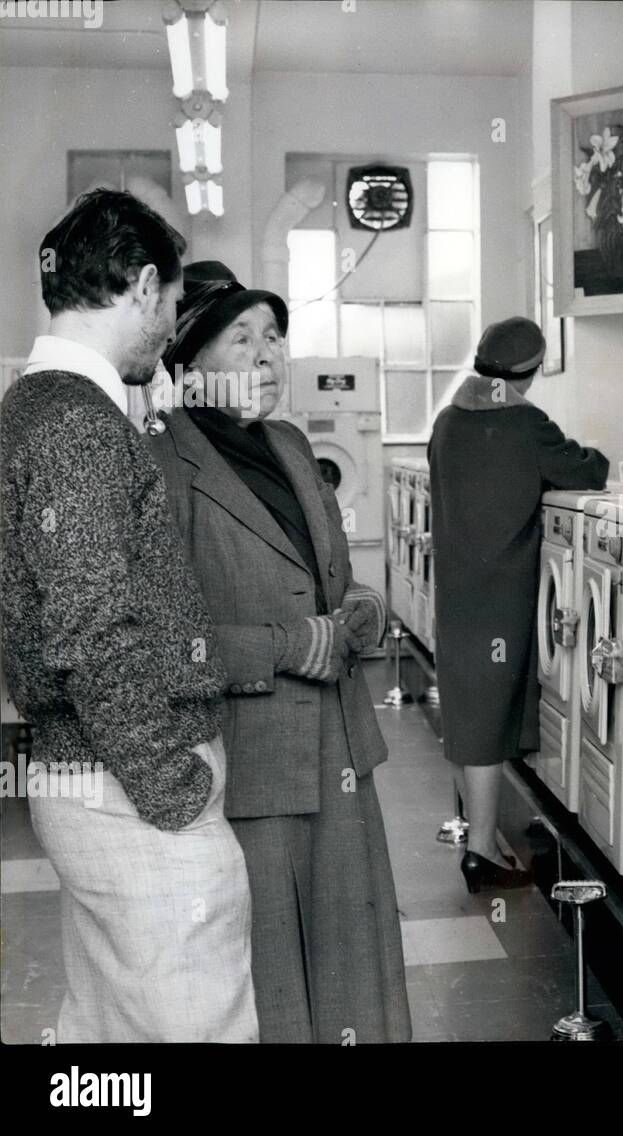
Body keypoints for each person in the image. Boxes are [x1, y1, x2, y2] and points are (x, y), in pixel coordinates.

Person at [0, 191, 257, 1042]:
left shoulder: (35, 410)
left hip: (89, 776)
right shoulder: (77, 423)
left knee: (113, 1037)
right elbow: (90, 632)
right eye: (177, 306)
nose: (172, 330)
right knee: (197, 1028)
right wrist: (171, 786)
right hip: (130, 792)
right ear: (144, 287)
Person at [148, 261, 411, 1044]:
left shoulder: (293, 445)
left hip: (341, 746)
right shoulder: (161, 464)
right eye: (241, 338)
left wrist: (361, 613)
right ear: (189, 365)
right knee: (273, 983)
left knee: (355, 961)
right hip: (253, 762)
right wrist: (290, 645)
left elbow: (340, 579)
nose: (267, 355)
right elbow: (163, 645)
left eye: (274, 336)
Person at [428, 317, 608, 893]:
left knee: (468, 712)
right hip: (504, 590)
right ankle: (480, 849)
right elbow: (584, 471)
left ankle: (480, 835)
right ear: (530, 371)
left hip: (456, 587)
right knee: (487, 721)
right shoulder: (526, 423)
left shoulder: (448, 421)